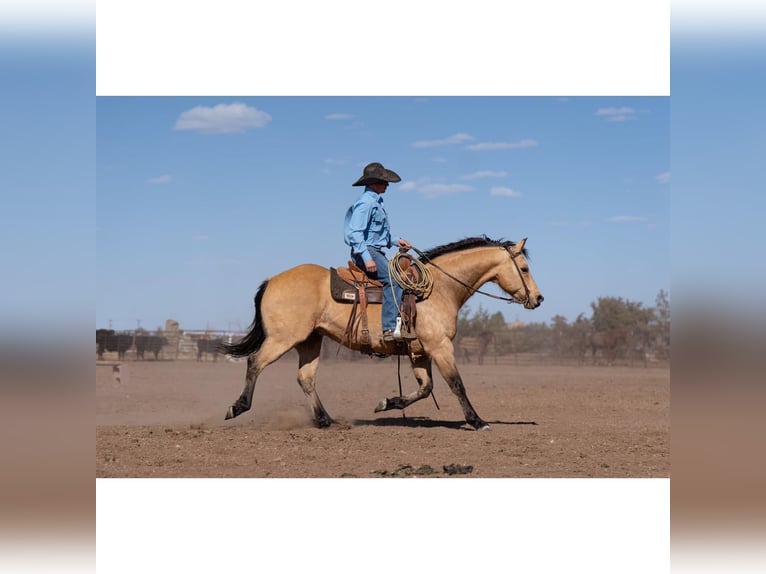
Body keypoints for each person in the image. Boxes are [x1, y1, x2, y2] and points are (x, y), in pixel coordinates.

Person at [344, 162, 415, 342]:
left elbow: (377, 235)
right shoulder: (366, 204)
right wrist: (367, 258)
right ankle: (389, 329)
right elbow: (355, 233)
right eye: (384, 181)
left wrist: (395, 240)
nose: (387, 185)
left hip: (374, 249)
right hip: (366, 251)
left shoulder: (376, 202)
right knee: (394, 280)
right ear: (374, 183)